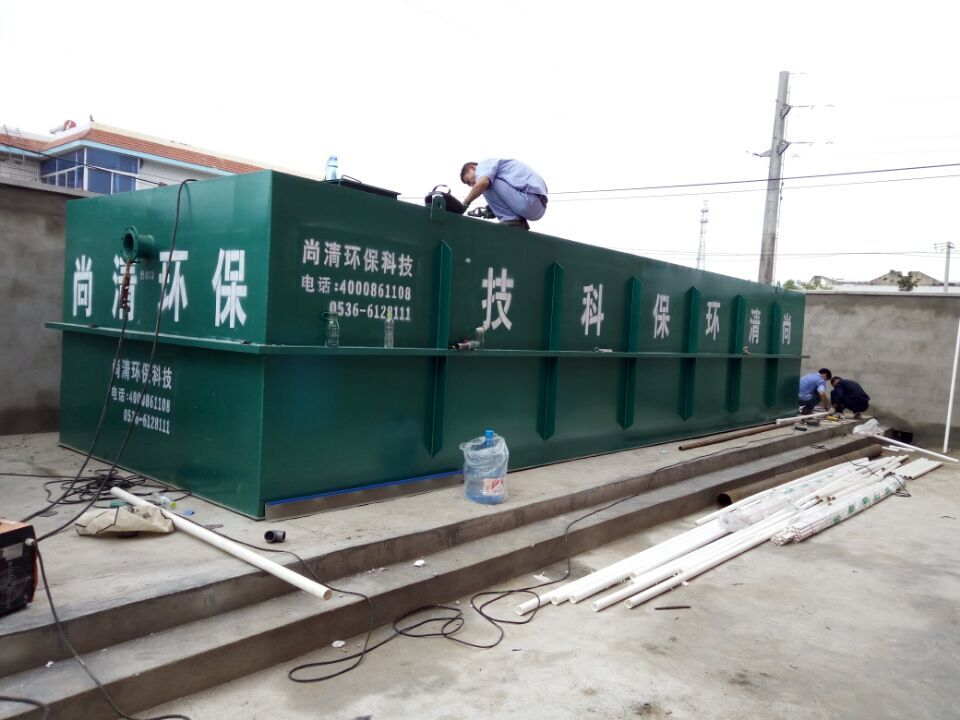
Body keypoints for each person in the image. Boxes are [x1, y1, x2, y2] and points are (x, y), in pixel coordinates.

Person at [460, 159, 548, 230]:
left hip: (531, 199)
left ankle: (512, 220)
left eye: (468, 181)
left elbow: (483, 183)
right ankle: (516, 221)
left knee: (483, 183)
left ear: (472, 167)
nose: (471, 185)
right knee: (484, 183)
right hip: (537, 205)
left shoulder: (482, 166)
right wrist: (492, 209)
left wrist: (465, 204)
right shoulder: (495, 168)